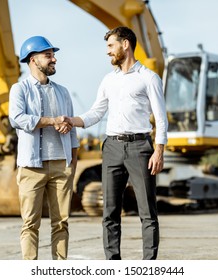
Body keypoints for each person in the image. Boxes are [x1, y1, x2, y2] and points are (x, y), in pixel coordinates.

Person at [71, 26, 168, 260]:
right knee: (110, 211)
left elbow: (161, 118)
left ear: (125, 44)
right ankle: (113, 265)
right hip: (112, 147)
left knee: (147, 212)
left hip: (139, 148)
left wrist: (159, 151)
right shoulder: (108, 80)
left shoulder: (148, 78)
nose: (108, 52)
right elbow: (96, 113)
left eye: (111, 45)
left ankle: (148, 265)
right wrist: (71, 121)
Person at [9, 35, 79, 260]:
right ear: (32, 59)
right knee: (30, 223)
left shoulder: (63, 92)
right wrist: (53, 120)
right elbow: (18, 119)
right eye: (48, 55)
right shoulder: (19, 90)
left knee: (61, 223)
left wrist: (73, 164)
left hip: (61, 166)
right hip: (31, 167)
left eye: (53, 55)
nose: (54, 59)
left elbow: (72, 130)